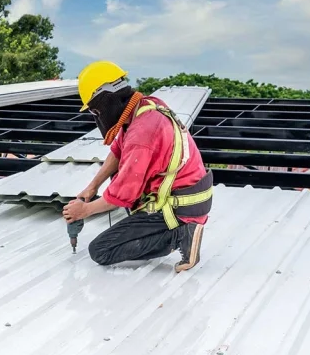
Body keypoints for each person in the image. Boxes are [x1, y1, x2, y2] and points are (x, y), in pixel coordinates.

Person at [61, 61, 213, 272]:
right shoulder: (144, 106)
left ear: (105, 101)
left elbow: (121, 196)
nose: (96, 116)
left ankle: (180, 235)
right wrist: (92, 187)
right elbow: (118, 150)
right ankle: (168, 231)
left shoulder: (142, 133)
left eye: (95, 111)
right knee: (125, 211)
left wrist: (84, 211)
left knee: (101, 250)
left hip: (179, 208)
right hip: (185, 196)